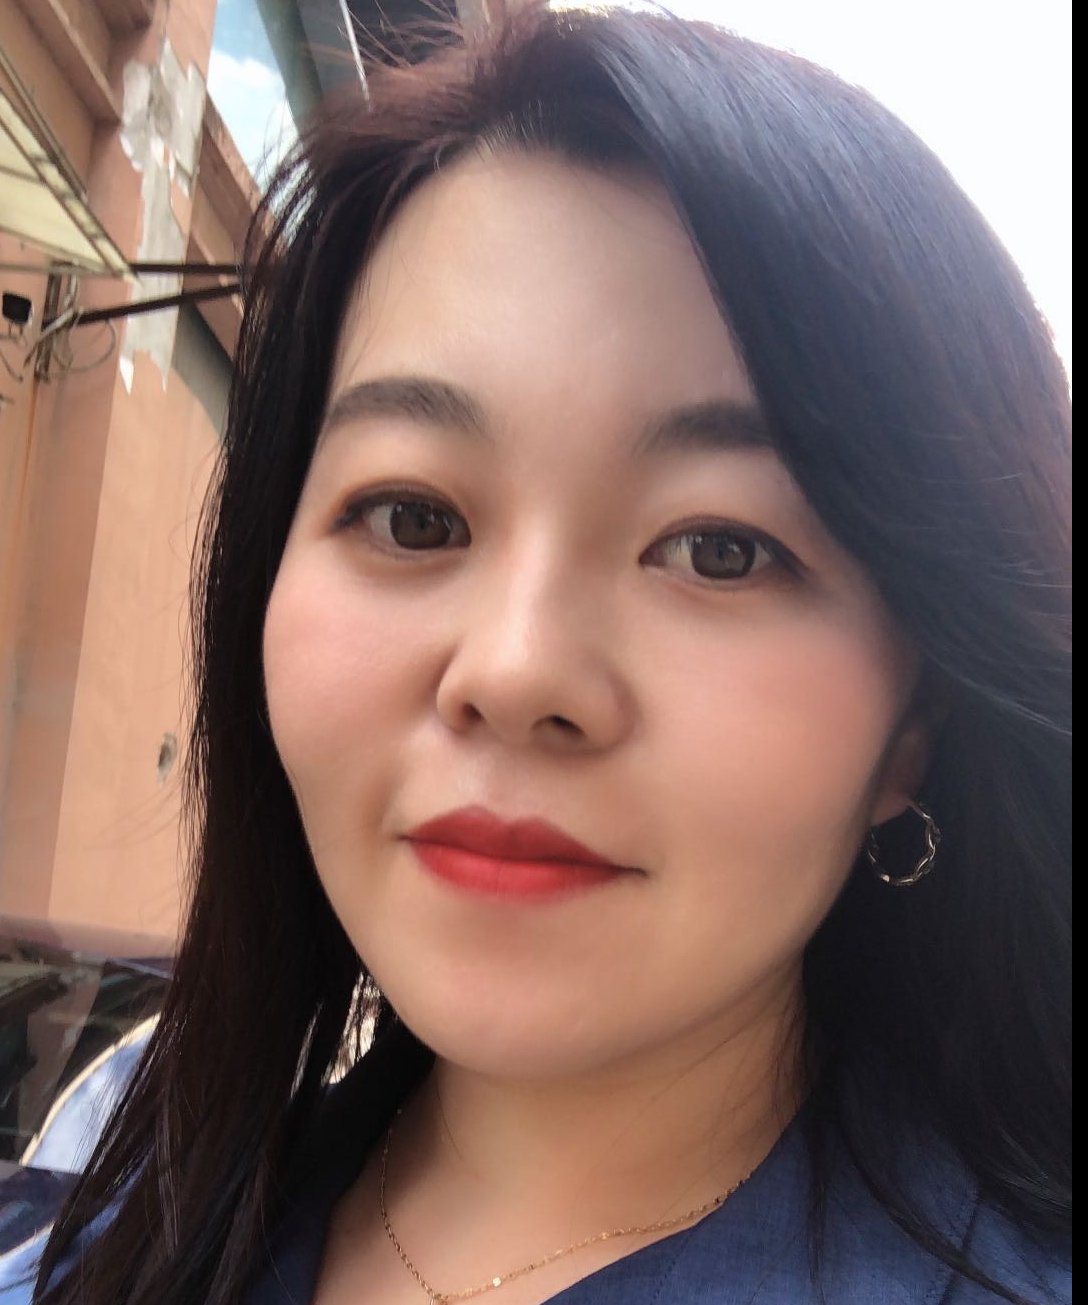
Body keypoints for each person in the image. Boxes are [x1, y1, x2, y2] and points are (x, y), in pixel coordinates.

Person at [30, 4, 1070, 1303]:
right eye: (413, 518)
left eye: (720, 550)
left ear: (913, 727)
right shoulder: (111, 1223)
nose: (516, 674)